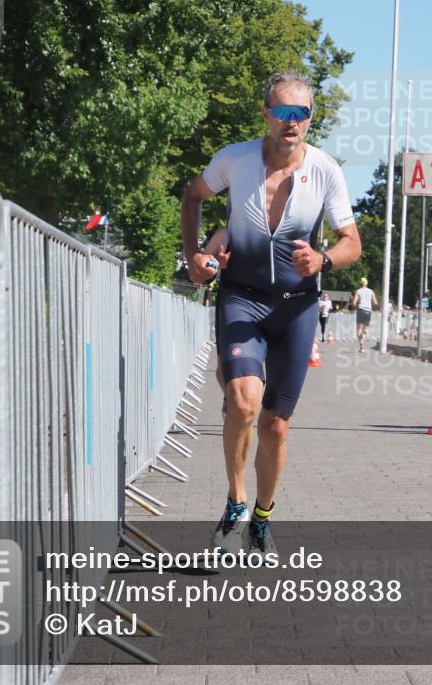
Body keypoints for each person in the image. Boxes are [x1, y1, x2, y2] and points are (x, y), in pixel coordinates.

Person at [181, 71, 361, 555]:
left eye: (300, 113)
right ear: (265, 115)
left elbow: (352, 243)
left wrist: (324, 260)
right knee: (242, 402)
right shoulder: (235, 160)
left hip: (298, 308)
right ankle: (236, 502)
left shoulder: (325, 171)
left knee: (275, 426)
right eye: (282, 111)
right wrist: (195, 254)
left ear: (310, 118)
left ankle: (263, 516)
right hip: (242, 296)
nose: (291, 121)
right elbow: (193, 197)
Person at [352, 277, 378, 352]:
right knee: (365, 329)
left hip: (361, 310)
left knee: (359, 330)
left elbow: (354, 302)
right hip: (368, 311)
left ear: (360, 283)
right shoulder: (371, 291)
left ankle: (362, 346)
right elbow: (375, 303)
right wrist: (373, 306)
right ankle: (366, 331)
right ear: (366, 283)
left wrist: (354, 306)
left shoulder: (358, 291)